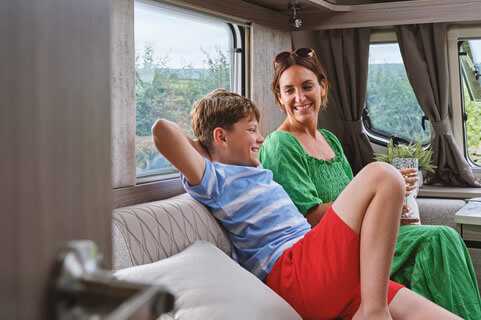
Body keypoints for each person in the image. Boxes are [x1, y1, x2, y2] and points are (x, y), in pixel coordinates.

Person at [152, 89, 461, 319]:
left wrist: (221, 140)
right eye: (250, 130)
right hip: (293, 274)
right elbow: (162, 131)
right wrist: (203, 146)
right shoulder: (214, 177)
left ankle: (372, 305)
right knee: (384, 175)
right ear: (221, 137)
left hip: (325, 271)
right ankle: (374, 312)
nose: (260, 138)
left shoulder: (257, 172)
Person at [259, 47, 481, 319]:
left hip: (361, 238)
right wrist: (378, 194)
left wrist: (393, 200)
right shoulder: (281, 145)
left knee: (446, 236)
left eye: (307, 86)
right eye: (289, 90)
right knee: (435, 240)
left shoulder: (330, 140)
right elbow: (306, 219)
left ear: (323, 87)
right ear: (279, 98)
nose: (300, 97)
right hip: (324, 253)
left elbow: (357, 208)